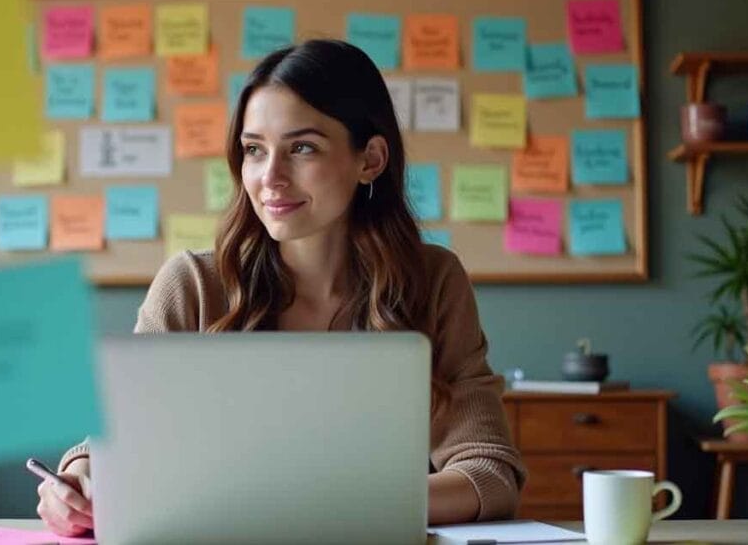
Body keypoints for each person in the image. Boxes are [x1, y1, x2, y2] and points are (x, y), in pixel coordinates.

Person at [37, 39, 527, 536]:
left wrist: (313, 507)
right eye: (254, 150)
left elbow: (487, 473)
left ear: (371, 159)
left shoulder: (433, 281)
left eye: (302, 148)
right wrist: (77, 483)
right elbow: (112, 451)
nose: (270, 177)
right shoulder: (193, 284)